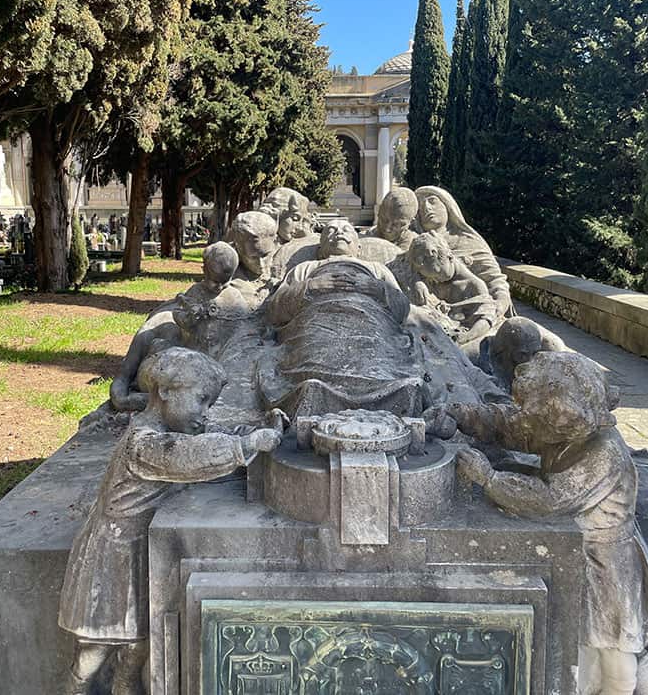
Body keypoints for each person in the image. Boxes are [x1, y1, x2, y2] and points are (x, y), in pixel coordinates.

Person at [431, 352, 648, 695]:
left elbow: (550, 499)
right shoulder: (564, 430)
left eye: (538, 419)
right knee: (608, 647)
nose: (528, 424)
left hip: (608, 567)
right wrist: (464, 416)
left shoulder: (602, 453)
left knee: (618, 656)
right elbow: (513, 428)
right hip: (583, 556)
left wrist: (488, 478)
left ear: (563, 418)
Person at [60, 348, 284, 695]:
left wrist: (257, 429)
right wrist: (245, 446)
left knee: (137, 644)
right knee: (97, 645)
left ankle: (124, 688)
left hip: (140, 552)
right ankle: (74, 689)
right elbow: (190, 456)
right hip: (112, 554)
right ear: (164, 393)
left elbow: (210, 433)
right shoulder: (144, 442)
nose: (205, 413)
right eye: (202, 400)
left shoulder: (172, 425)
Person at [262, 220, 423, 418]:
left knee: (378, 362)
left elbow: (402, 309)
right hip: (317, 322)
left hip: (371, 322)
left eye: (346, 229)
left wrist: (377, 288)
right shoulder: (306, 267)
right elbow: (275, 310)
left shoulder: (375, 268)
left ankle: (387, 390)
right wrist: (310, 286)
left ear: (358, 247)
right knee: (314, 363)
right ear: (321, 248)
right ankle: (315, 387)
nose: (338, 232)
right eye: (331, 230)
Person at [110, 242, 242, 411]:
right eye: (214, 281)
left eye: (225, 282)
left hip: (217, 357)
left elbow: (240, 326)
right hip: (190, 349)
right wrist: (189, 319)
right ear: (204, 270)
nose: (219, 287)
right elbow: (178, 316)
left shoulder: (234, 296)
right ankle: (134, 388)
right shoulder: (196, 292)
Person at [415, 186, 513, 320]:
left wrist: (500, 303)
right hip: (429, 316)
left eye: (432, 201)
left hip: (473, 312)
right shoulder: (414, 246)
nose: (426, 208)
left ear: (448, 206)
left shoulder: (469, 241)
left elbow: (495, 281)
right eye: (420, 207)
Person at [407, 232, 500, 350]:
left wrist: (466, 337)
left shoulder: (474, 286)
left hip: (462, 340)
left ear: (450, 257)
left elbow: (487, 319)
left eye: (438, 274)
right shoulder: (432, 273)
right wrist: (418, 281)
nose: (435, 281)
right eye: (430, 278)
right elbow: (403, 260)